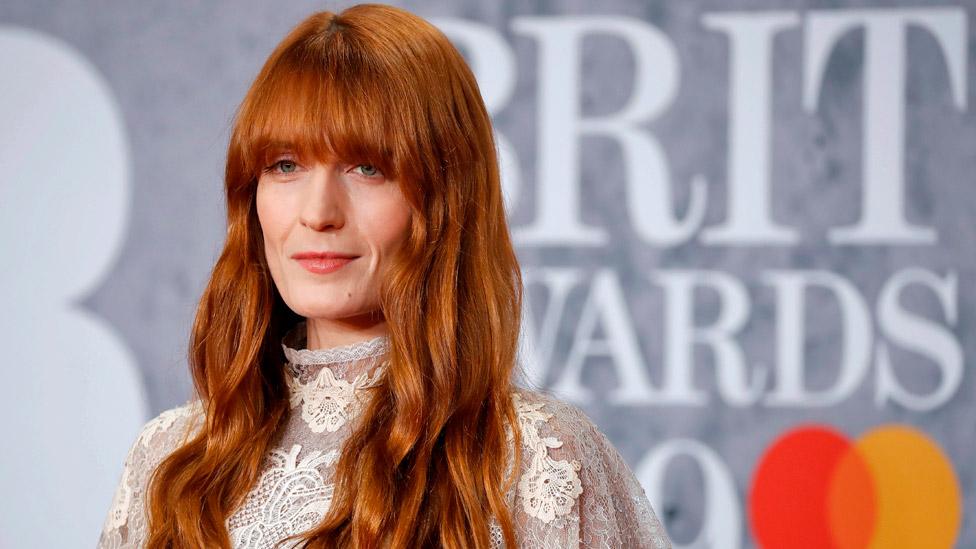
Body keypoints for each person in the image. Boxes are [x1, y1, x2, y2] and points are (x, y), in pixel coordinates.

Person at [97, 4, 672, 548]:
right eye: (285, 166)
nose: (318, 212)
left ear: (446, 199)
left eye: (367, 167)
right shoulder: (170, 457)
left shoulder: (538, 459)